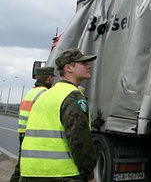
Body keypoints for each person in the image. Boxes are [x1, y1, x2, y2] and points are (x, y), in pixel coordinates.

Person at [20, 49, 98, 182]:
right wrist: (89, 173)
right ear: (68, 68)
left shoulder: (45, 95)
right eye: (83, 63)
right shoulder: (73, 97)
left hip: (30, 172)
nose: (88, 66)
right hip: (61, 174)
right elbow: (79, 140)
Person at [9, 66, 55, 182]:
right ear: (49, 78)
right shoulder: (44, 93)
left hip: (23, 134)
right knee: (30, 171)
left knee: (20, 168)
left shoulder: (31, 92)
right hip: (33, 136)